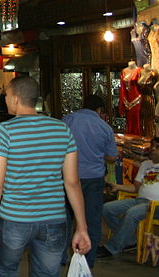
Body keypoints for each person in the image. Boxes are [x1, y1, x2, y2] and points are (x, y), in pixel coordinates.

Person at [0, 76, 90, 277]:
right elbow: (73, 183)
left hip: (13, 219)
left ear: (15, 99)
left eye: (6, 96)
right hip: (53, 220)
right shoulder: (62, 130)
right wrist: (82, 227)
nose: (4, 100)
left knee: (4, 271)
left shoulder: (3, 132)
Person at [61, 93, 117, 268]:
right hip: (93, 178)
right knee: (91, 220)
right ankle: (87, 259)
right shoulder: (104, 127)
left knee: (65, 218)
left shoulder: (67, 121)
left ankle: (61, 256)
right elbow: (112, 157)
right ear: (99, 110)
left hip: (68, 176)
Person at [97, 137, 159, 258]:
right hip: (140, 200)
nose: (153, 149)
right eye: (152, 146)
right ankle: (130, 240)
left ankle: (112, 248)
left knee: (132, 213)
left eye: (158, 147)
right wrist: (117, 186)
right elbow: (135, 188)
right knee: (106, 208)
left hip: (158, 206)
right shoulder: (145, 165)